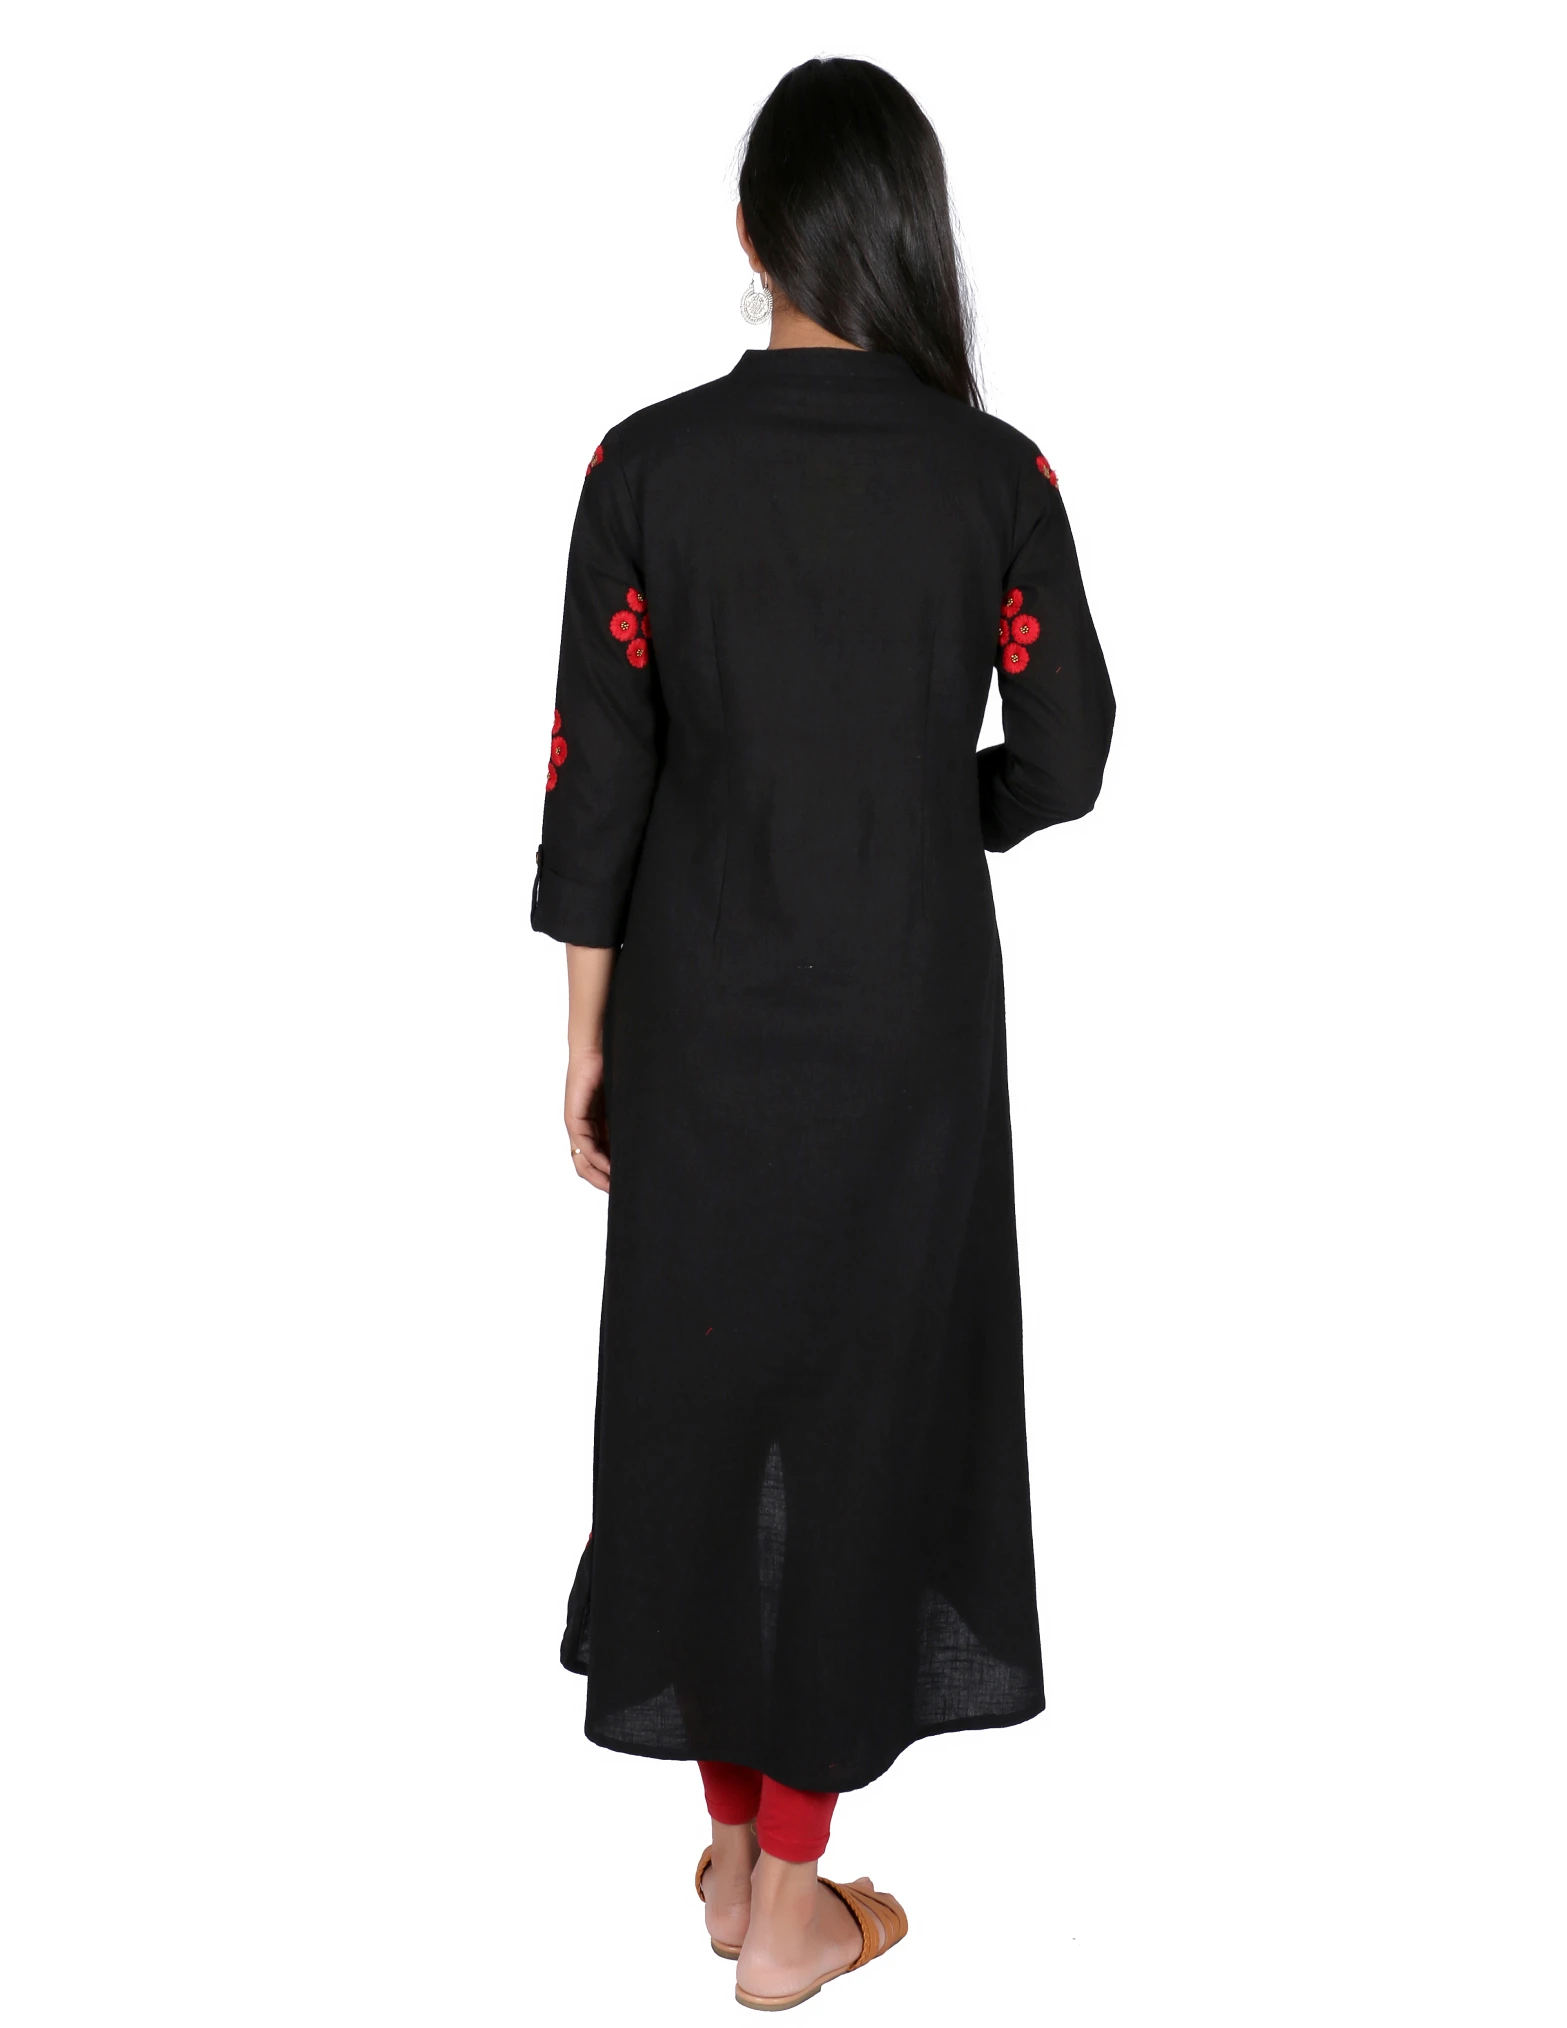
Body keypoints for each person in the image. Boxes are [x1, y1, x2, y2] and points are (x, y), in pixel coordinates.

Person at [531, 55, 1115, 2010]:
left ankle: (729, 1857)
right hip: (906, 1038)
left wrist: (586, 1035)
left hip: (695, 1018)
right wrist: (938, 812)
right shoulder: (992, 477)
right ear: (905, 235)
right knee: (865, 1419)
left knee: (704, 1407)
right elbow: (1066, 751)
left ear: (747, 235)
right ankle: (785, 1900)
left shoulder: (643, 470)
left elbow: (594, 783)